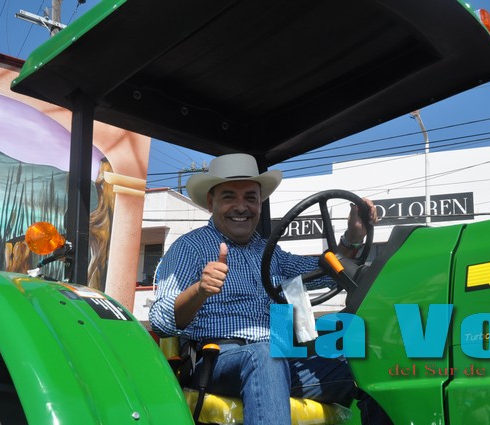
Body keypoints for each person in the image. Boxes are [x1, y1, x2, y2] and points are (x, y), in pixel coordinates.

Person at [149, 153, 391, 424]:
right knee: (264, 354)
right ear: (211, 202)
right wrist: (200, 290)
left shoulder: (270, 253)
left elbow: (326, 271)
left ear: (260, 203)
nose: (241, 207)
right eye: (229, 197)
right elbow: (160, 320)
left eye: (250, 198)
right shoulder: (190, 247)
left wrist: (353, 237)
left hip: (277, 363)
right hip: (217, 360)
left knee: (370, 366)